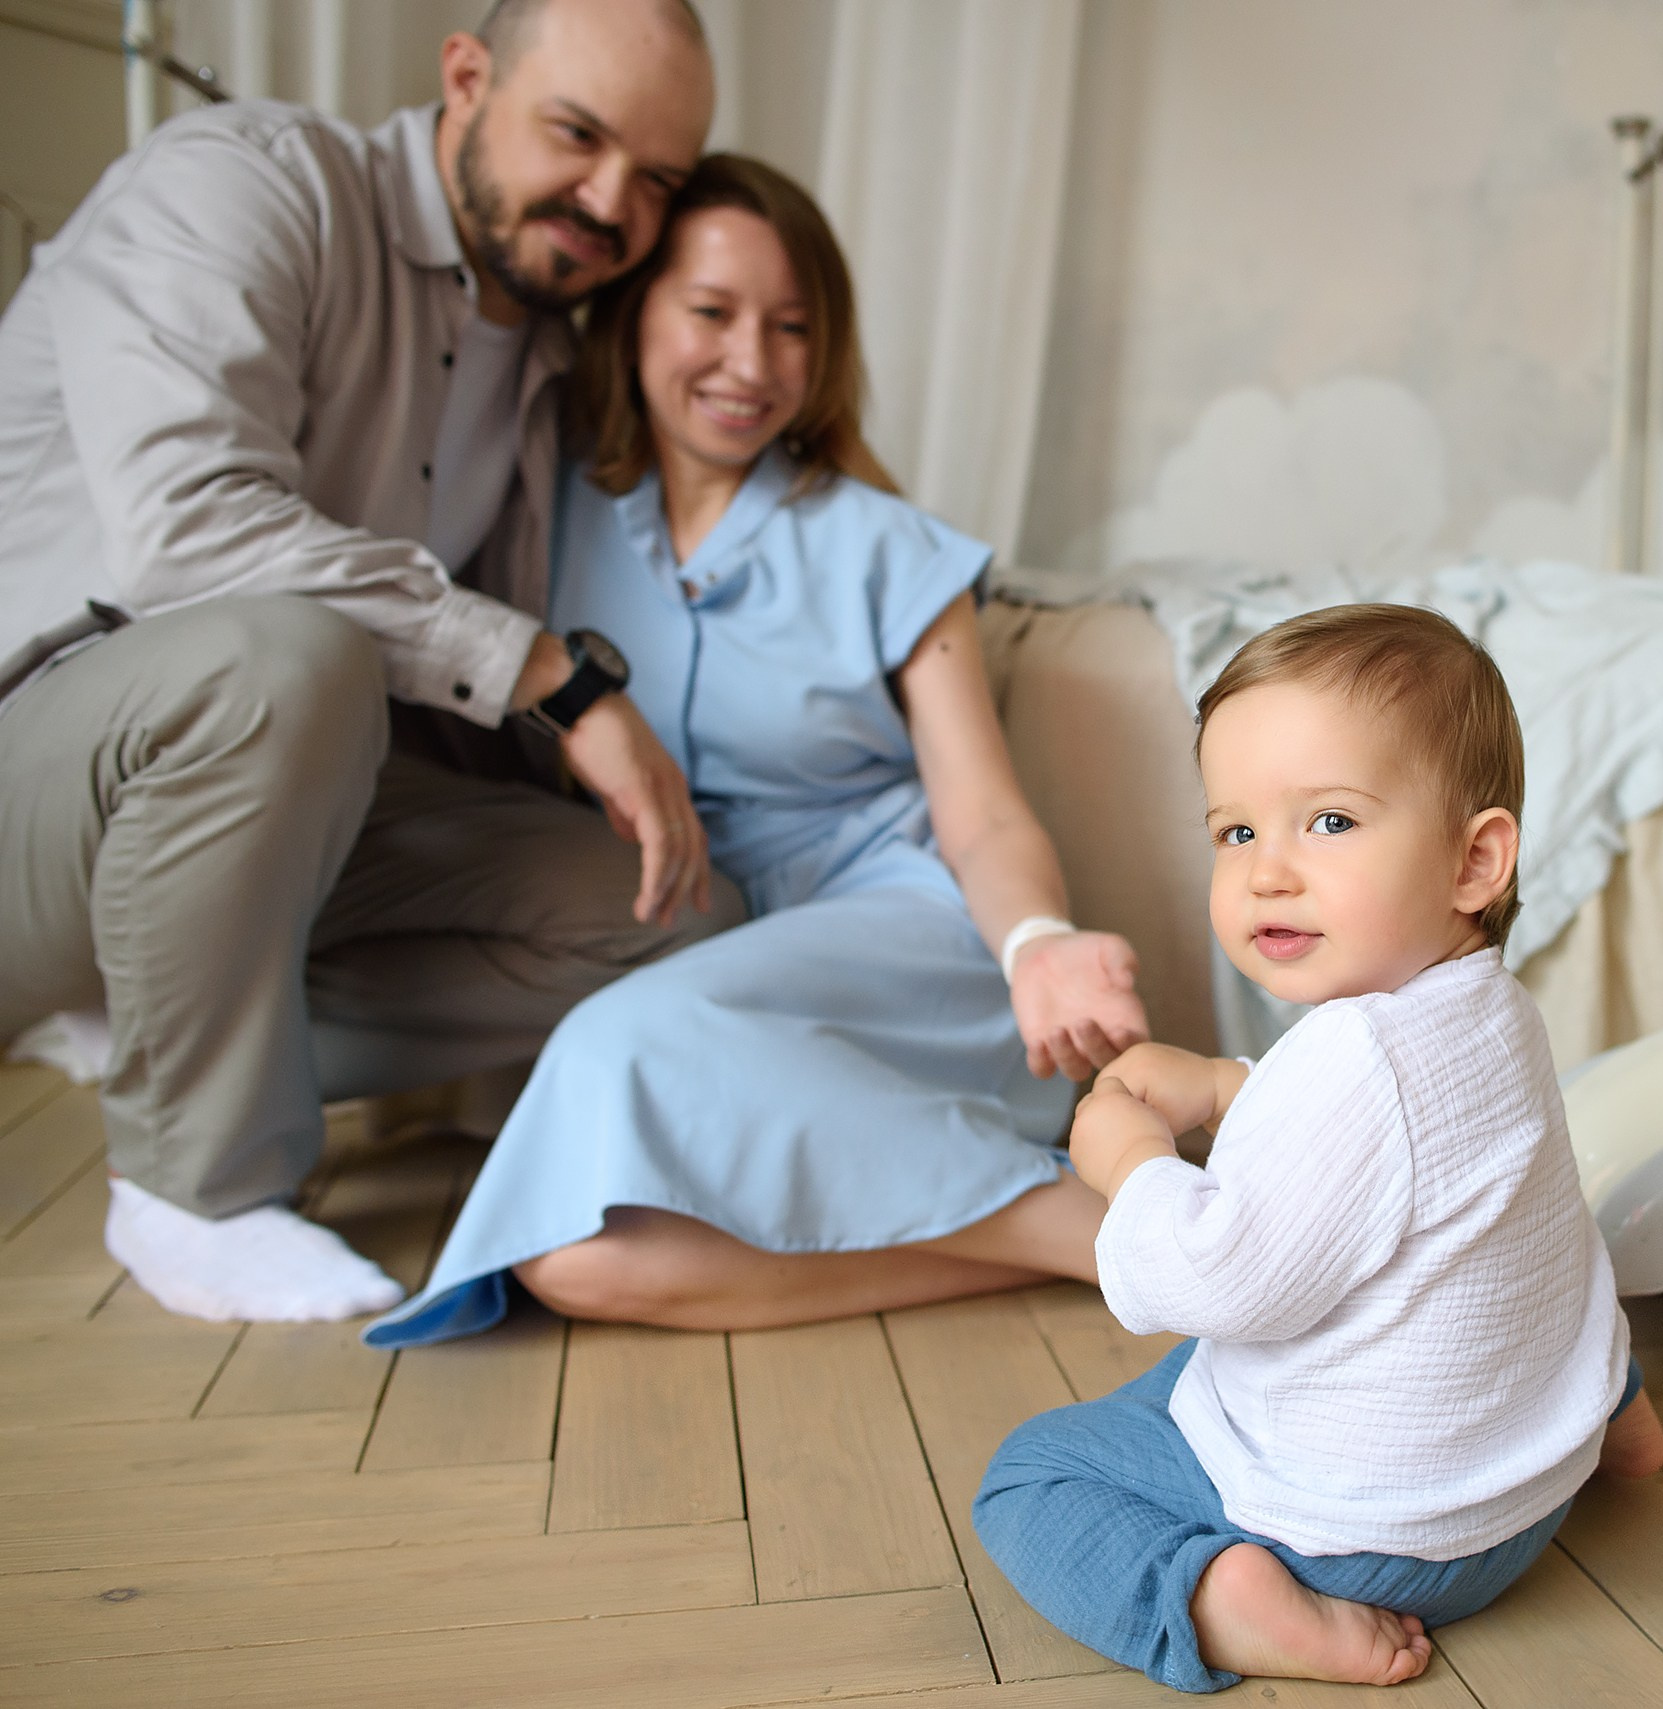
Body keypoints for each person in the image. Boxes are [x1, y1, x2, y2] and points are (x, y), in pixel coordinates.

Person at [0, 0, 736, 1324]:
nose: (610, 199)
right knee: (288, 657)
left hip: (270, 808)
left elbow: (439, 702)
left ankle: (168, 1032)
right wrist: (559, 682)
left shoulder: (553, 354)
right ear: (465, 77)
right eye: (576, 132)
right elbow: (190, 530)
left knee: (674, 908)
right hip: (40, 770)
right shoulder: (242, 179)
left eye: (658, 179)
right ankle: (193, 1185)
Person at [363, 155, 1150, 1349]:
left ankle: (1118, 1244)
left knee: (622, 1040)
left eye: (792, 328)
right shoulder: (550, 516)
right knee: (572, 1258)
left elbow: (981, 815)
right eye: (713, 313)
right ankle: (1074, 1238)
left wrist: (1037, 945)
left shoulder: (890, 549)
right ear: (635, 316)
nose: (752, 362)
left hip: (901, 943)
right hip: (705, 955)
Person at [971, 606, 1663, 1693]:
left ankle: (1221, 1599)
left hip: (1368, 1536)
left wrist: (1129, 1162)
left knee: (1033, 1477)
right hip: (1526, 1485)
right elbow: (1407, 1159)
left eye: (1329, 822)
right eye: (1236, 831)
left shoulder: (1357, 1054)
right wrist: (1226, 1087)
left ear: (1474, 858)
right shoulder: (1487, 1009)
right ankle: (1619, 1417)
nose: (1265, 873)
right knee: (1527, 1232)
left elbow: (1215, 1278)